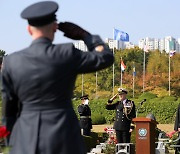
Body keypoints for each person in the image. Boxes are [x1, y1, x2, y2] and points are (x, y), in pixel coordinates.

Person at [1, 1, 114, 154]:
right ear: (55, 27)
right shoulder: (66, 53)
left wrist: (12, 142)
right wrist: (85, 36)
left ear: (29, 29)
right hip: (64, 136)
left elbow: (10, 110)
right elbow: (105, 57)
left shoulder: (11, 62)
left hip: (25, 138)